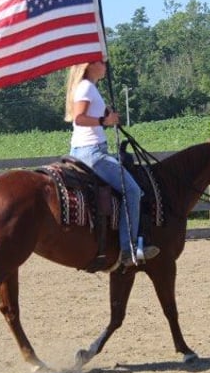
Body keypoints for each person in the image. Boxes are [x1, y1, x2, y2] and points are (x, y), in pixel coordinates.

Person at [64, 60, 159, 267]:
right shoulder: (86, 87)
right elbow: (79, 118)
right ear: (88, 66)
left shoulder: (90, 88)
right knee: (133, 191)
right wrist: (104, 122)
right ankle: (128, 248)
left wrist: (107, 115)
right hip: (92, 153)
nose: (105, 65)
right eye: (100, 62)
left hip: (87, 150)